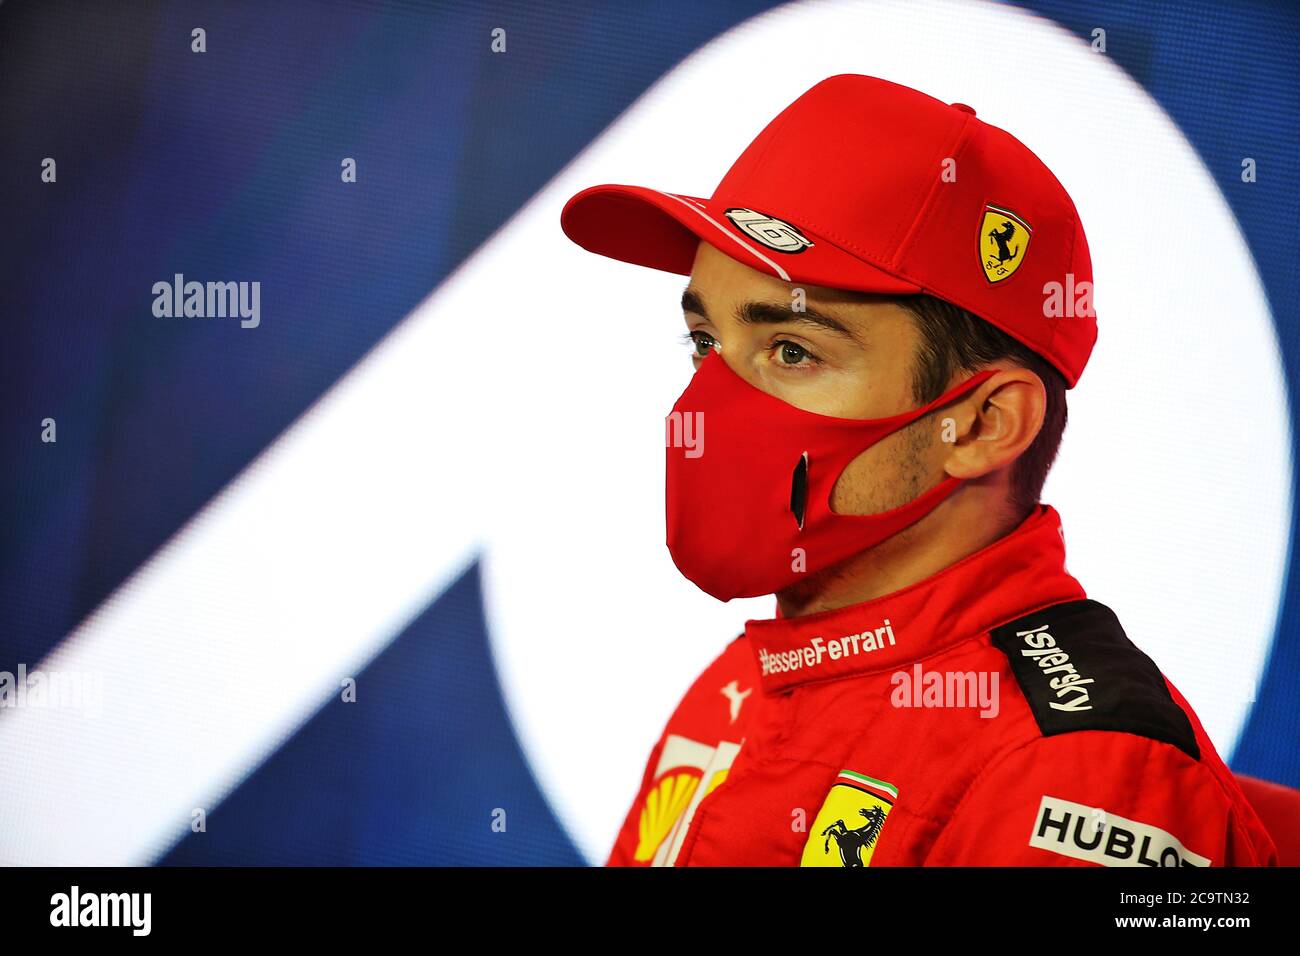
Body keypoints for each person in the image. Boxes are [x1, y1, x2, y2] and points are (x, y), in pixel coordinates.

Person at [559, 74, 1278, 866]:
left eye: (792, 350)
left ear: (982, 423)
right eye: (705, 343)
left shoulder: (1078, 774)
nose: (703, 408)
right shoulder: (747, 681)